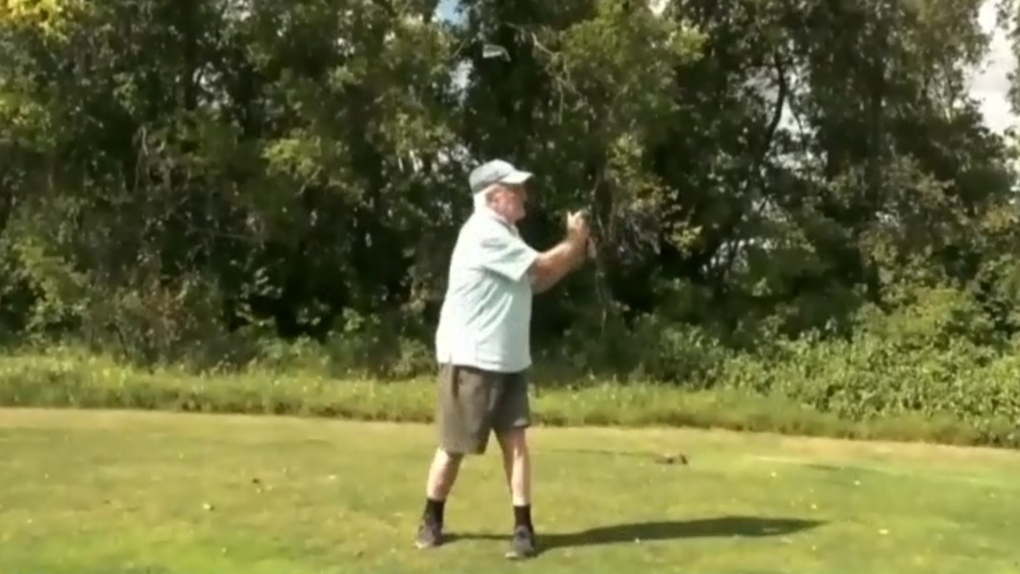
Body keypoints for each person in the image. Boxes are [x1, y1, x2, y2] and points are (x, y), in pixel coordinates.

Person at [414, 159, 591, 559]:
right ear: (494, 197)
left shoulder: (506, 232)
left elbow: (540, 279)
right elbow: (543, 264)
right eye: (515, 189)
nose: (524, 195)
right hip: (472, 358)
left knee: (516, 443)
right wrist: (573, 242)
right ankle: (431, 518)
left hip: (509, 358)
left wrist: (574, 253)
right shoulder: (483, 233)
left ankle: (523, 529)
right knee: (453, 447)